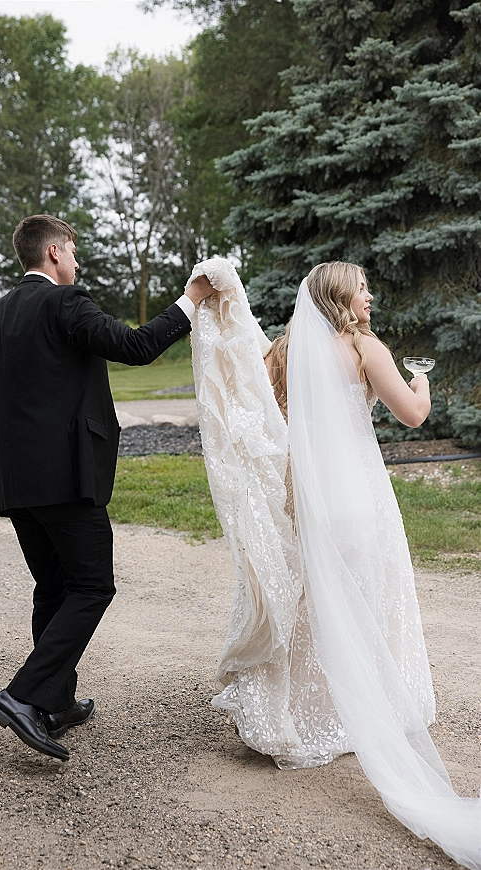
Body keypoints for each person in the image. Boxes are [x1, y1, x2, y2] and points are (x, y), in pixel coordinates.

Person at [186, 257, 480, 870]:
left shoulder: (281, 353)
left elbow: (263, 418)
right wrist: (422, 383)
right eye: (362, 288)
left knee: (313, 603)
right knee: (367, 597)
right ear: (341, 298)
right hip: (357, 497)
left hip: (305, 493)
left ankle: (306, 715)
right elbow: (413, 415)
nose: (370, 297)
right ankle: (360, 710)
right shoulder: (365, 348)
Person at [0, 214, 214, 762]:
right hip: (68, 477)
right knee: (93, 586)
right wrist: (190, 299)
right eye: (73, 251)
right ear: (53, 252)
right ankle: (24, 697)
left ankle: (56, 701)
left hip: (13, 483)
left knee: (53, 588)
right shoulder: (66, 303)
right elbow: (139, 345)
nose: (76, 261)